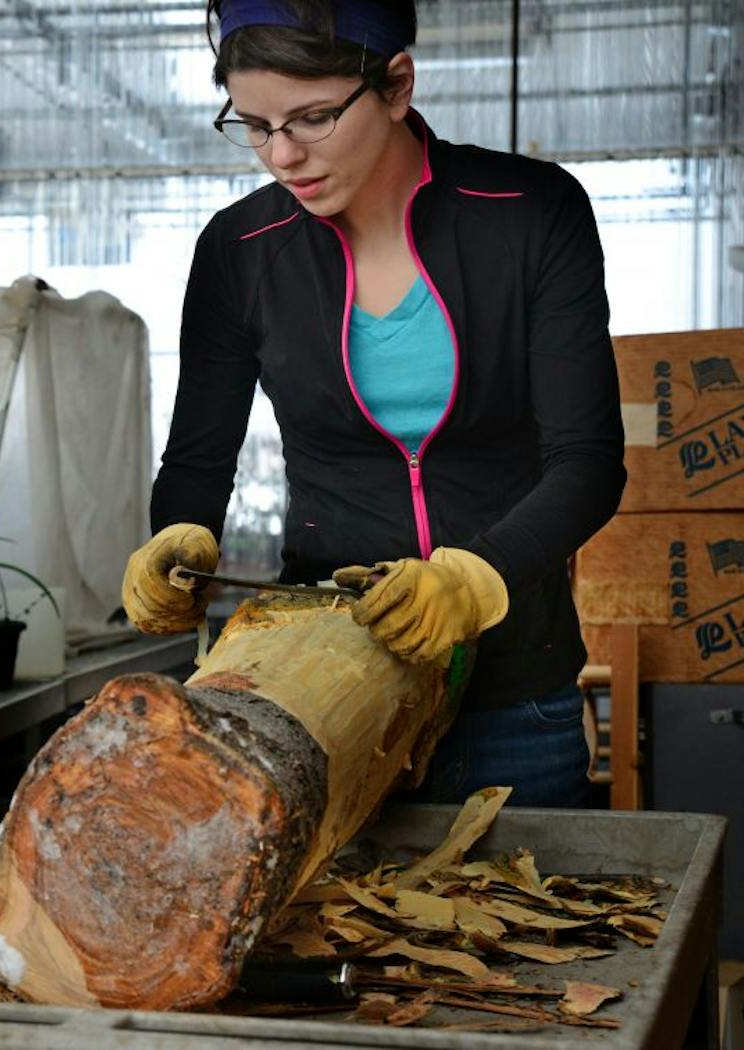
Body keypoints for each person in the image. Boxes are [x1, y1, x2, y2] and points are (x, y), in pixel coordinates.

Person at [121, 0, 625, 808]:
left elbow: (589, 464)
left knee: (521, 920)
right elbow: (197, 459)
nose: (282, 155)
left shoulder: (530, 212)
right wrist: (179, 531)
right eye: (253, 124)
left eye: (314, 117)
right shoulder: (239, 251)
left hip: (515, 687)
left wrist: (473, 580)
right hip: (328, 682)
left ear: (395, 85)